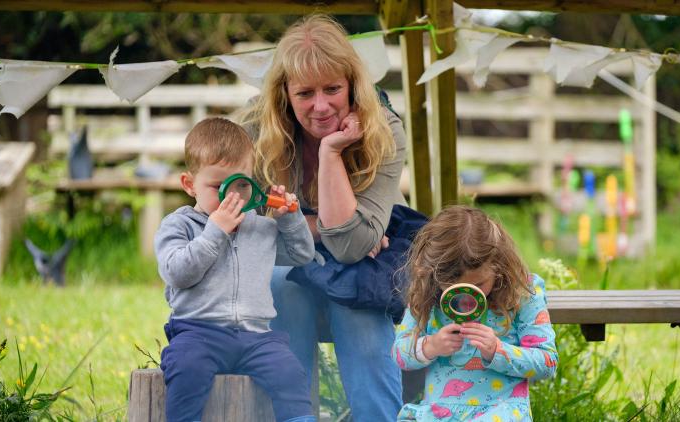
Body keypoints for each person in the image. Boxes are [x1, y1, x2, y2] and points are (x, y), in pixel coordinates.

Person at [242, 14, 407, 421]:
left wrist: (332, 153)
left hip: (366, 265)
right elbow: (242, 231)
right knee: (282, 285)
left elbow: (352, 250)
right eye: (305, 94)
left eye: (333, 89)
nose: (320, 106)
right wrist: (323, 228)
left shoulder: (383, 127)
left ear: (353, 84)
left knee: (357, 300)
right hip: (287, 265)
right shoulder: (252, 130)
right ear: (284, 94)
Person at [155, 117, 317, 422]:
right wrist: (214, 232)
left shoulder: (259, 227)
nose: (231, 197)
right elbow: (177, 273)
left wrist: (289, 219)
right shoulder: (179, 225)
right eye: (218, 186)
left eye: (240, 184)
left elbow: (302, 254)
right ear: (189, 184)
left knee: (290, 372)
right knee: (186, 368)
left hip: (256, 336)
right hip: (197, 331)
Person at [394, 206, 558, 421]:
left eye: (479, 284)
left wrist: (497, 350)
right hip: (440, 414)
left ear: (498, 265)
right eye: (453, 287)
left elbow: (547, 362)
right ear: (435, 275)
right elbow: (399, 354)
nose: (467, 297)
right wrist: (430, 346)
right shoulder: (428, 293)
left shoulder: (522, 292)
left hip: (500, 412)